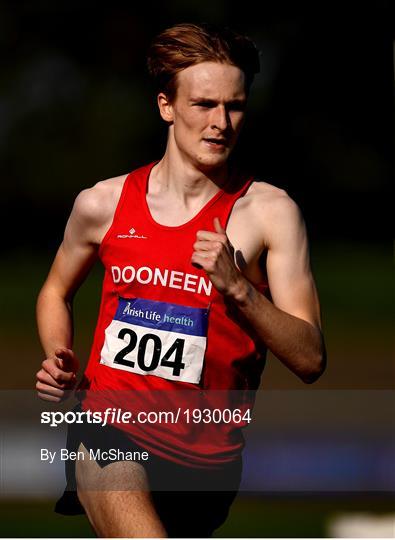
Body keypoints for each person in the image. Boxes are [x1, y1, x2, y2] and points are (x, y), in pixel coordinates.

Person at [36, 22, 326, 538]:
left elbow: (310, 358)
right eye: (204, 105)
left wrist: (239, 289)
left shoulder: (270, 213)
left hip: (207, 465)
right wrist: (60, 356)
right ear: (167, 106)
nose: (221, 123)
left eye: (234, 107)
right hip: (107, 427)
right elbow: (56, 290)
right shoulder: (102, 204)